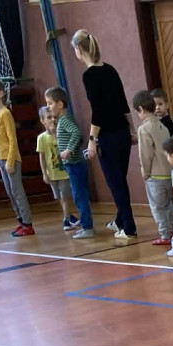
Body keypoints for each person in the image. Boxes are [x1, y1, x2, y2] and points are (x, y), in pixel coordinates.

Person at [70, 29, 137, 242]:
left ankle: (129, 227)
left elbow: (98, 110)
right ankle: (120, 220)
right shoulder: (110, 69)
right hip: (122, 133)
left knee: (116, 183)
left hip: (108, 137)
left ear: (79, 49)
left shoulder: (89, 75)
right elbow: (123, 103)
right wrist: (132, 129)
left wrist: (92, 140)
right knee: (120, 181)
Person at [0, 77, 34, 236]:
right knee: (10, 193)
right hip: (0, 159)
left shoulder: (5, 113)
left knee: (17, 192)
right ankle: (20, 221)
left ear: (1, 93)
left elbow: (12, 139)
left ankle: (28, 224)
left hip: (11, 159)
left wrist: (10, 161)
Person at [45, 87, 95, 239]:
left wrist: (69, 150)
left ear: (60, 104)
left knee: (79, 196)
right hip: (72, 165)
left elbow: (76, 133)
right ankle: (86, 225)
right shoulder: (63, 120)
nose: (48, 107)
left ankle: (87, 227)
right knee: (78, 195)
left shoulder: (65, 120)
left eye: (50, 103)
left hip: (74, 165)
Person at [131, 90, 173, 245]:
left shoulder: (144, 129)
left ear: (141, 109)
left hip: (155, 176)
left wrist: (145, 170)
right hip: (169, 173)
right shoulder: (163, 126)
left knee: (158, 207)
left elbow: (145, 153)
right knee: (169, 205)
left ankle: (165, 234)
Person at [36, 105, 79, 230]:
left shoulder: (61, 134)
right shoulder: (41, 138)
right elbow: (42, 157)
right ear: (42, 121)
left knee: (65, 196)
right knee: (59, 197)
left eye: (54, 117)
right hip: (52, 173)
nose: (52, 120)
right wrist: (44, 173)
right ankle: (70, 216)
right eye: (49, 118)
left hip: (64, 172)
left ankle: (66, 220)